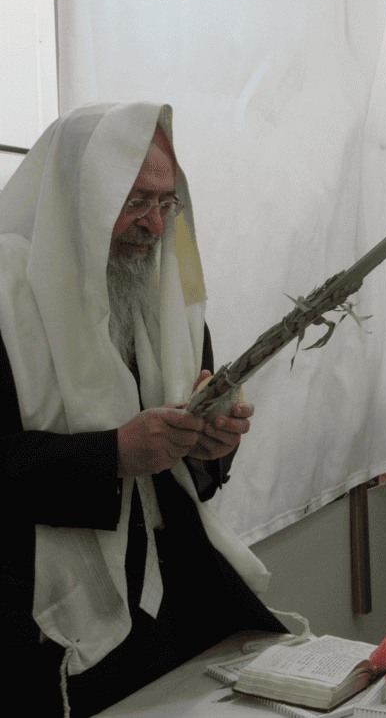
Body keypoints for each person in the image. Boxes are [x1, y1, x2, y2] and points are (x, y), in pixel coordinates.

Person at [1, 103, 286, 718]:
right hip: (42, 619)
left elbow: (189, 474)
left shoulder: (168, 291)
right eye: (133, 201)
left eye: (165, 202)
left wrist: (212, 444)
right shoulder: (6, 295)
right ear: (79, 196)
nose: (154, 226)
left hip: (175, 593)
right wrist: (115, 455)